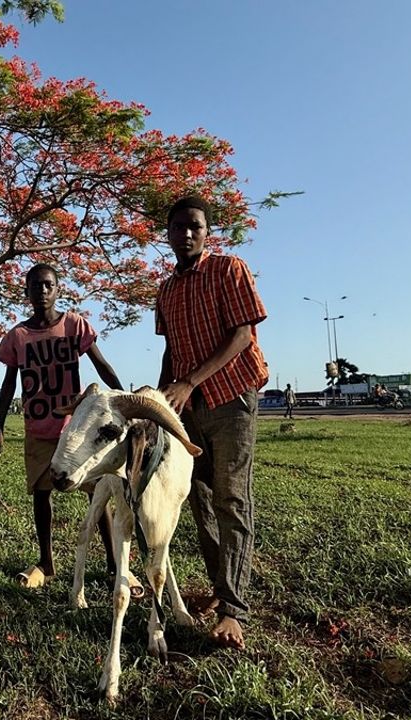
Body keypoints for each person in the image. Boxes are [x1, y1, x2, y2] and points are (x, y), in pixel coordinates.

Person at [156, 195, 268, 651]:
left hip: (232, 397)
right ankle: (222, 589)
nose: (186, 233)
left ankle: (232, 612)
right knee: (198, 500)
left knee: (231, 498)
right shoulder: (166, 291)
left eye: (195, 227)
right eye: (178, 226)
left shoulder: (229, 269)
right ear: (167, 233)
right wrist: (161, 403)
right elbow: (171, 352)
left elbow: (242, 335)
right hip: (190, 407)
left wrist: (189, 381)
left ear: (207, 232)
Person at [0, 264, 139, 595]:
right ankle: (46, 562)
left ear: (58, 289)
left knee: (98, 495)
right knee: (41, 495)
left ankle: (115, 565)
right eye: (35, 286)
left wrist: (128, 404)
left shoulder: (73, 325)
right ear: (26, 292)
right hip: (38, 428)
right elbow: (8, 385)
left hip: (77, 431)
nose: (42, 291)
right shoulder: (18, 337)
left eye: (48, 285)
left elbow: (101, 364)